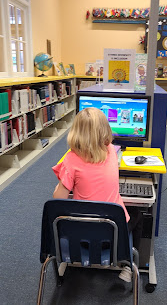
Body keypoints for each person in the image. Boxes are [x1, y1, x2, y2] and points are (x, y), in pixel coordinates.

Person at [52, 107, 142, 282]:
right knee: (138, 216)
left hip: (80, 235)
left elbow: (58, 199)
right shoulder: (110, 151)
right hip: (113, 235)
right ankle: (128, 266)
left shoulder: (70, 159)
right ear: (105, 131)